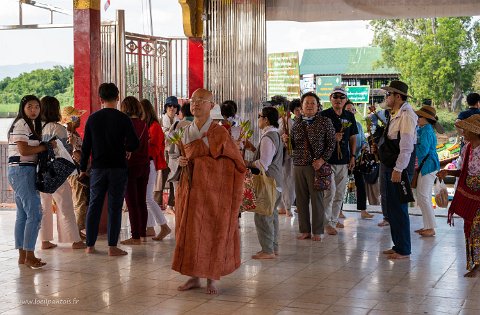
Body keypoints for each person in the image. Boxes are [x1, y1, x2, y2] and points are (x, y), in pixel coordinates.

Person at [173, 88, 246, 294]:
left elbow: (235, 163)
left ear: (211, 106)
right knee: (190, 231)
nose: (195, 104)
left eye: (201, 101)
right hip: (190, 189)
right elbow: (176, 154)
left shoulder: (219, 132)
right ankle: (193, 276)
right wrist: (181, 161)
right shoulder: (185, 130)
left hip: (213, 192)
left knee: (213, 230)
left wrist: (204, 164)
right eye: (193, 100)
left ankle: (212, 278)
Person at [80, 83, 139, 256]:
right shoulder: (123, 119)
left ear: (100, 99)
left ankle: (90, 245)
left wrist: (83, 168)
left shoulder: (92, 118)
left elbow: (86, 147)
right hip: (118, 168)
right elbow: (135, 144)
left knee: (94, 206)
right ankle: (112, 247)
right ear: (118, 97)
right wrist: (125, 148)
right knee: (114, 206)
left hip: (98, 168)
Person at [8, 95, 54, 268]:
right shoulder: (21, 124)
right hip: (22, 171)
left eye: (36, 107)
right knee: (35, 213)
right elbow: (24, 150)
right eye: (30, 107)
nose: (34, 110)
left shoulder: (29, 125)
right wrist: (45, 147)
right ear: (23, 108)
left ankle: (23, 256)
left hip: (21, 171)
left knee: (23, 215)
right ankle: (29, 255)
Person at [285, 92, 335, 241]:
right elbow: (293, 145)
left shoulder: (325, 122)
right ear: (301, 106)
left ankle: (318, 231)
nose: (310, 105)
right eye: (307, 103)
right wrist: (286, 140)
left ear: (318, 106)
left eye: (313, 103)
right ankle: (304, 230)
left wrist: (322, 160)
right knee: (300, 199)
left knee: (317, 199)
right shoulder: (297, 123)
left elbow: (331, 144)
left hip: (316, 166)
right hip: (298, 164)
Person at [38, 96, 85, 250]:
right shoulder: (59, 129)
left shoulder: (37, 128)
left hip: (40, 171)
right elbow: (65, 151)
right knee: (65, 204)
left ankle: (44, 241)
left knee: (44, 207)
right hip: (56, 171)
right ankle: (74, 240)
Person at [378, 80, 417, 260]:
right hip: (391, 165)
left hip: (399, 166)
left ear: (398, 96)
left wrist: (398, 169)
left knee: (400, 208)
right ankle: (398, 244)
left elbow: (407, 146)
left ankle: (404, 249)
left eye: (389, 94)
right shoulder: (396, 114)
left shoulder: (407, 115)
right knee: (392, 208)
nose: (387, 97)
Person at [438, 114, 480, 277]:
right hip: (470, 193)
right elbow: (463, 171)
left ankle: (476, 264)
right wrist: (448, 172)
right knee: (470, 228)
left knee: (475, 227)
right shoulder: (466, 149)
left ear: (475, 132)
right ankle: (475, 262)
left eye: (467, 130)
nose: (463, 132)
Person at [246, 106, 283, 259]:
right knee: (271, 215)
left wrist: (247, 163)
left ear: (266, 119)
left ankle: (268, 250)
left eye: (260, 116)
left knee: (262, 215)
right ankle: (273, 248)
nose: (258, 119)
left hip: (268, 182)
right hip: (275, 182)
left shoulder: (269, 137)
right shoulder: (275, 135)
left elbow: (263, 164)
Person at [321, 87, 358, 235]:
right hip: (328, 160)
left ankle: (334, 220)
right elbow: (317, 138)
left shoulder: (349, 116)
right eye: (335, 97)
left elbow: (353, 136)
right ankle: (326, 222)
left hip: (344, 160)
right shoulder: (324, 115)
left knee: (340, 193)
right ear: (330, 99)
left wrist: (353, 156)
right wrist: (332, 138)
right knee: (329, 192)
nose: (338, 100)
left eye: (341, 97)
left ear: (345, 100)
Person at [120, 96, 150, 245]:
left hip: (130, 166)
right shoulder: (144, 124)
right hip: (145, 165)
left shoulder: (124, 124)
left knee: (132, 203)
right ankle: (143, 234)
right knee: (141, 201)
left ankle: (135, 236)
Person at [140, 98, 171, 241]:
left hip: (150, 163)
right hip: (147, 162)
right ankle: (150, 227)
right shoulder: (148, 125)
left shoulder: (154, 127)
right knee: (146, 197)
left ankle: (164, 226)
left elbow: (155, 149)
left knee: (147, 198)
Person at [414, 104, 442, 237]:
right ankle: (427, 226)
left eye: (420, 116)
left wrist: (411, 149)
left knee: (423, 197)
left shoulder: (426, 130)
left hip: (428, 166)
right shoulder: (424, 129)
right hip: (428, 166)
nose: (417, 118)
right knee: (422, 196)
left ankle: (430, 228)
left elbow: (423, 150)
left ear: (426, 118)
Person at [62, 106, 89, 239]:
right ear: (71, 119)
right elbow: (74, 154)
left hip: (77, 170)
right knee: (79, 200)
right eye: (77, 118)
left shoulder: (73, 133)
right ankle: (76, 231)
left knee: (80, 200)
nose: (79, 120)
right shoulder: (69, 135)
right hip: (74, 171)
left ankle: (78, 229)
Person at [344, 100, 374, 219]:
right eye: (348, 110)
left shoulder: (359, 125)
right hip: (345, 160)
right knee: (341, 186)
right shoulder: (342, 126)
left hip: (357, 160)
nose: (351, 112)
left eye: (352, 110)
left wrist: (364, 146)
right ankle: (338, 211)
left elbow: (363, 140)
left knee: (361, 185)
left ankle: (363, 210)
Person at [155, 96, 180, 213]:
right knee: (161, 178)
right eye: (170, 106)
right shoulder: (160, 120)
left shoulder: (178, 122)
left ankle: (171, 205)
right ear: (166, 107)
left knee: (173, 178)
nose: (172, 108)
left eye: (175, 106)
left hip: (174, 152)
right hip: (163, 152)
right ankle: (157, 204)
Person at [278, 98, 301, 217]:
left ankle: (287, 206)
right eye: (296, 110)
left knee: (290, 181)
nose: (299, 111)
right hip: (285, 155)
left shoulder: (290, 122)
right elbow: (280, 135)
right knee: (285, 180)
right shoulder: (285, 121)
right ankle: (285, 206)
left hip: (294, 155)